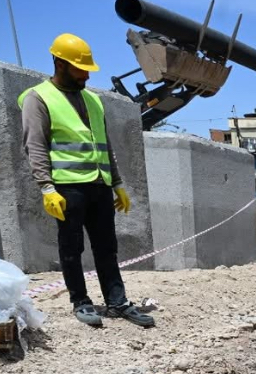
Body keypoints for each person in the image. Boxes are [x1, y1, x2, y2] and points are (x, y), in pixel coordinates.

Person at [19, 34, 154, 329]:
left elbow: (104, 144)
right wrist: (47, 187)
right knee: (72, 247)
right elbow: (35, 145)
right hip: (67, 187)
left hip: (99, 184)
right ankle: (81, 301)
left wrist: (117, 183)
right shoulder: (38, 98)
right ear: (59, 63)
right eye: (80, 68)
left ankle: (117, 302)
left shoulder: (93, 99)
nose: (86, 74)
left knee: (107, 246)